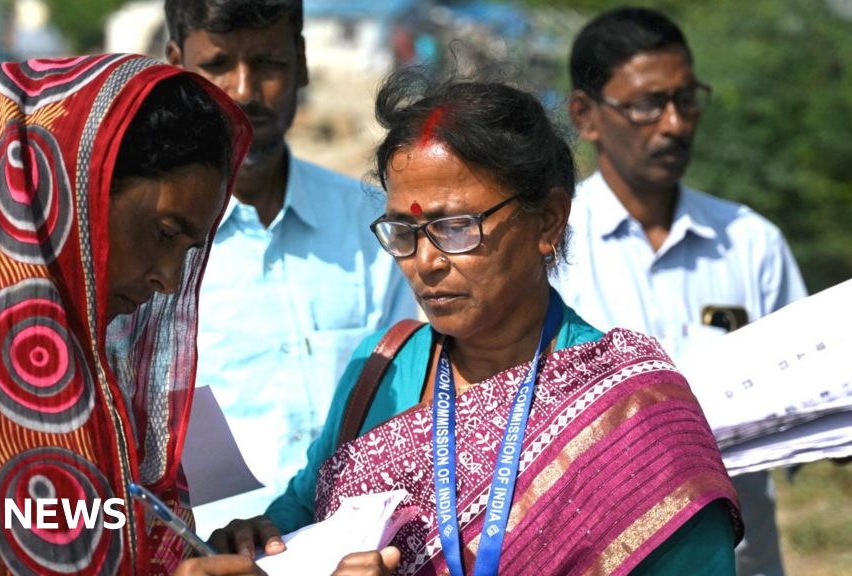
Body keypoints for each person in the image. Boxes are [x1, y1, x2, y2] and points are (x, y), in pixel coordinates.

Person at [218, 67, 744, 574]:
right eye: (403, 231)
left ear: (548, 221)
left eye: (455, 226)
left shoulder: (631, 414)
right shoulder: (380, 370)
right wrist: (259, 541)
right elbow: (304, 515)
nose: (425, 261)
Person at [0, 53, 269, 575]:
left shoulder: (103, 382)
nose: (168, 280)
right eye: (165, 233)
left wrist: (204, 555)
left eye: (189, 250)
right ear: (67, 191)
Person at [557, 8, 806, 576]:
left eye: (686, 99)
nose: (674, 123)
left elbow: (814, 401)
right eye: (647, 104)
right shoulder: (547, 251)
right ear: (586, 116)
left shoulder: (751, 243)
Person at [163, 0, 418, 532]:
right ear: (175, 67)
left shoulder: (373, 227)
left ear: (301, 63)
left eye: (268, 64)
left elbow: (410, 388)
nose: (244, 91)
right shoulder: (157, 246)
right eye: (216, 65)